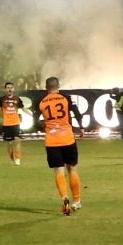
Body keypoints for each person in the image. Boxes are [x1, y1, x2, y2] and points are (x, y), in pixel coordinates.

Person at [38, 77, 82, 215]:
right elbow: (76, 112)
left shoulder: (41, 102)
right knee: (72, 170)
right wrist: (81, 127)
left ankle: (64, 197)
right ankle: (76, 201)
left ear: (46, 87)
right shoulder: (66, 98)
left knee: (59, 172)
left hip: (52, 140)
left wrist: (43, 127)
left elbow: (36, 121)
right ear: (59, 86)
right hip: (67, 138)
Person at [0, 82, 24, 165]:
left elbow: (23, 108)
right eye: (8, 87)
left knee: (17, 140)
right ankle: (11, 156)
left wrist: (31, 114)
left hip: (16, 123)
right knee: (9, 143)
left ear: (13, 89)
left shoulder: (17, 99)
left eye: (11, 87)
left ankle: (18, 159)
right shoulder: (2, 99)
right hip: (7, 124)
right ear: (5, 89)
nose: (9, 89)